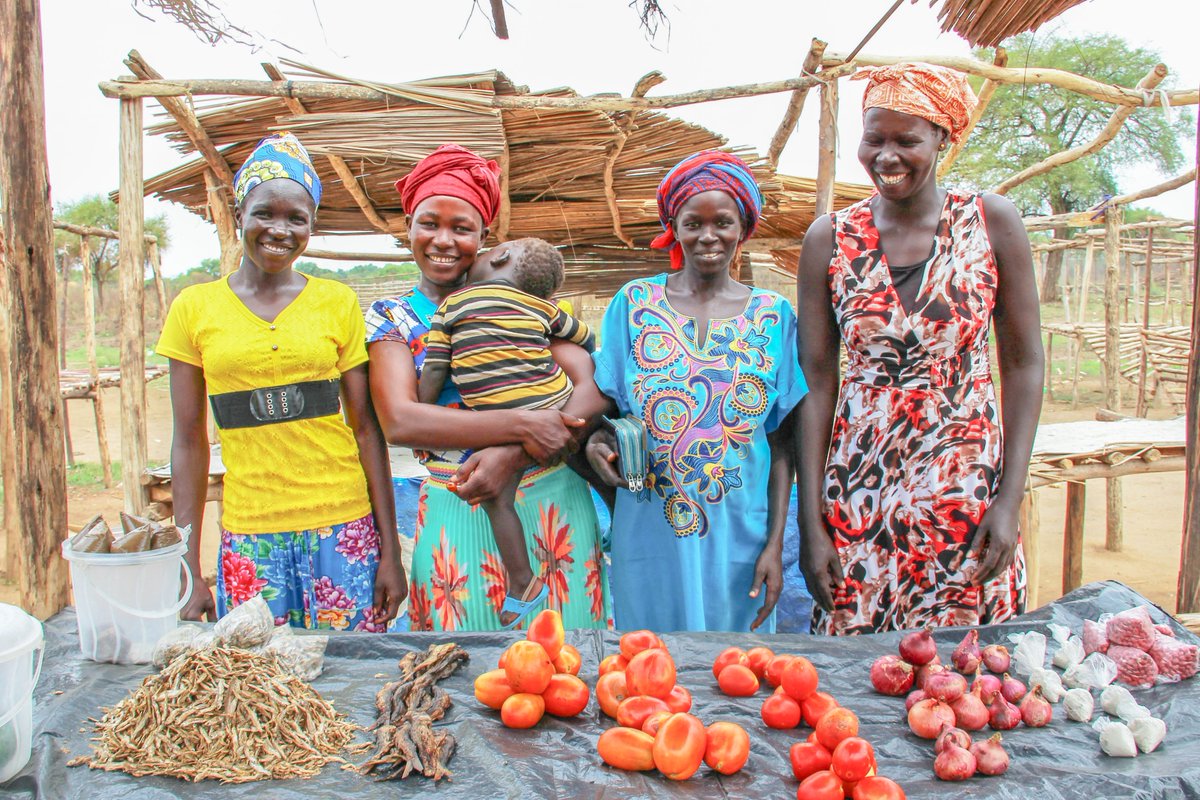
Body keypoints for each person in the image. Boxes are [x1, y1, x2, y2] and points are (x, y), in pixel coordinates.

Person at [795, 64, 1044, 635]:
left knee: (965, 673)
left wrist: (1008, 501)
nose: (886, 156)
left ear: (943, 138)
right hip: (860, 490)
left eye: (906, 140)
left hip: (964, 488)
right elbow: (815, 382)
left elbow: (1025, 365)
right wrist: (812, 522)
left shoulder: (990, 222)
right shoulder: (829, 238)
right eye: (874, 139)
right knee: (856, 675)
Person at [159, 132, 406, 630]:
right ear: (239, 217)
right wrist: (187, 567)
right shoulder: (194, 308)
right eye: (265, 213)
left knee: (350, 684)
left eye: (297, 218)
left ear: (311, 225)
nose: (280, 229)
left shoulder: (335, 302)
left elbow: (365, 430)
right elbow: (188, 443)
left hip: (343, 527)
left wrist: (390, 552)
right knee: (261, 692)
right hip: (251, 534)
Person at [366, 144, 611, 632]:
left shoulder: (521, 303)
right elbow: (401, 420)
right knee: (462, 684)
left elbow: (595, 384)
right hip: (457, 505)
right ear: (408, 227)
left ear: (486, 240)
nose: (443, 240)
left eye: (462, 229)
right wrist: (521, 425)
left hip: (550, 499)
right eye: (429, 223)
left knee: (570, 675)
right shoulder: (392, 317)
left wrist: (512, 456)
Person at [585, 150, 807, 633]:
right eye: (693, 223)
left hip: (740, 539)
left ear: (743, 228)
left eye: (723, 222)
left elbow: (782, 443)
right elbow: (604, 411)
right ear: (675, 227)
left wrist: (775, 545)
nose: (708, 236)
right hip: (649, 535)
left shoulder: (774, 317)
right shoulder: (634, 305)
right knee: (648, 674)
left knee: (736, 680)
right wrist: (597, 442)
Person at [416, 237, 595, 627]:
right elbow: (585, 339)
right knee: (509, 490)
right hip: (551, 405)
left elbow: (434, 369)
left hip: (499, 416)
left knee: (499, 499)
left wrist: (424, 417)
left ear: (498, 256)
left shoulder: (454, 303)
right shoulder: (542, 308)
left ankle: (523, 582)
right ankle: (526, 582)